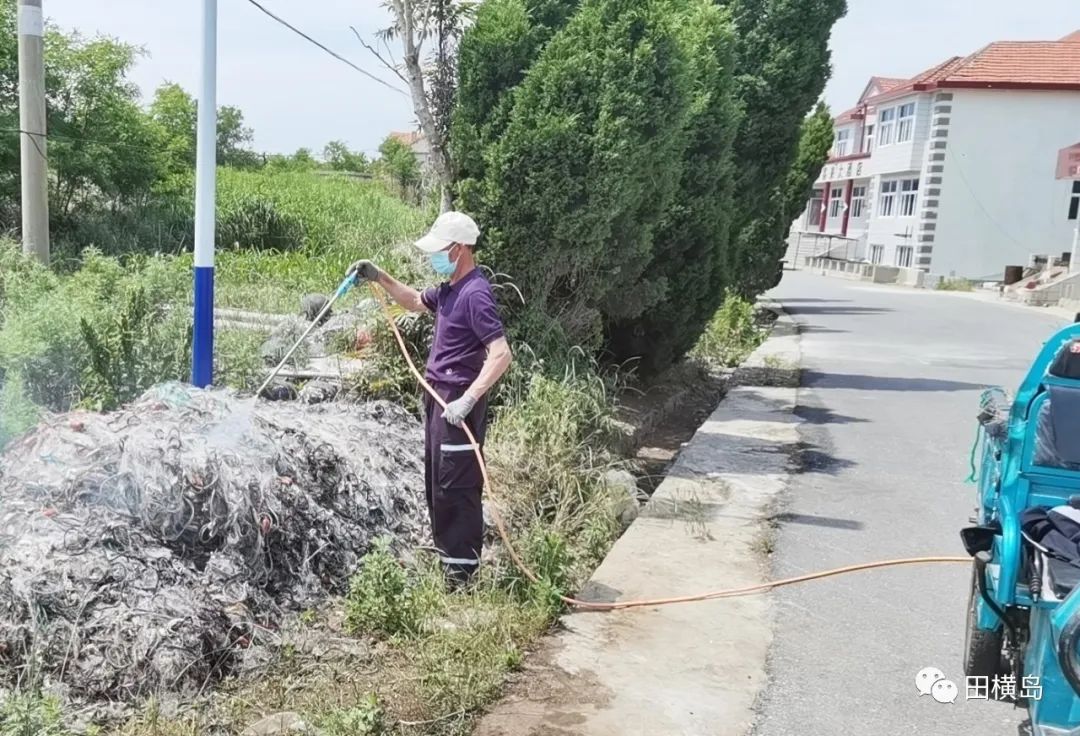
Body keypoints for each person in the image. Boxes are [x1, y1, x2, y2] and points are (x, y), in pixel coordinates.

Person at [349, 211, 513, 586]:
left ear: (459, 249)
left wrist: (468, 400)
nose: (434, 257)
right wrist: (378, 275)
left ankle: (462, 575)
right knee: (438, 482)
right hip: (439, 399)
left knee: (457, 484)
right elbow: (411, 301)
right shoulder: (450, 290)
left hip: (457, 402)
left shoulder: (475, 294)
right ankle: (449, 565)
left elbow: (501, 353)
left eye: (440, 250)